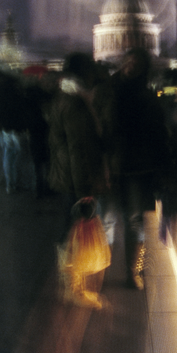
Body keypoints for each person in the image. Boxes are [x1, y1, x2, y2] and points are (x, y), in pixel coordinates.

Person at [100, 48, 172, 289]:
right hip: (110, 165)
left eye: (137, 64)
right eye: (129, 61)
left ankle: (134, 271)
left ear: (143, 69)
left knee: (134, 221)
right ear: (122, 64)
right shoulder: (106, 93)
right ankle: (98, 272)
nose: (131, 66)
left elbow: (158, 136)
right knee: (107, 220)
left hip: (138, 169)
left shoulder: (148, 98)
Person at [47, 52, 108, 237]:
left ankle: (67, 260)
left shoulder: (64, 95)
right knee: (77, 231)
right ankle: (71, 262)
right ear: (84, 73)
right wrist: (85, 190)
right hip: (76, 178)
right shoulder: (76, 102)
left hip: (67, 173)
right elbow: (78, 148)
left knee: (70, 227)